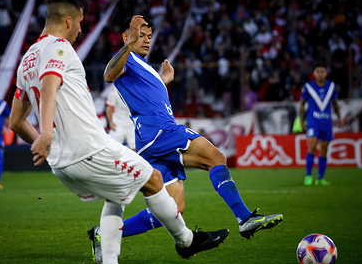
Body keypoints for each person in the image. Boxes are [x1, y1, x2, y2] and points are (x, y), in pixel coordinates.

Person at [8, 0, 228, 264]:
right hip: (89, 148)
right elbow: (50, 85)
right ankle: (186, 241)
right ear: (67, 21)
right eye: (79, 22)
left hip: (62, 163)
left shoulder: (27, 59)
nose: (80, 29)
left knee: (117, 195)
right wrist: (47, 135)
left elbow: (16, 121)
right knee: (154, 179)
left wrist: (48, 145)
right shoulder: (59, 47)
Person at [95, 14, 282, 249]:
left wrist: (164, 79)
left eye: (149, 36)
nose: (146, 40)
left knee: (173, 207)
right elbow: (108, 74)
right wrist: (129, 43)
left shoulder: (144, 68)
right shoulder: (126, 59)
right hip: (161, 132)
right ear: (126, 36)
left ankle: (105, 233)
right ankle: (244, 218)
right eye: (140, 35)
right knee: (216, 157)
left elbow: (147, 94)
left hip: (150, 140)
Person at [300, 64, 342, 186]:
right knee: (312, 146)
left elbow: (335, 103)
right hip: (313, 121)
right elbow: (302, 104)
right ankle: (308, 176)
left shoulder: (331, 86)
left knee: (324, 149)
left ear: (326, 73)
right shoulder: (308, 87)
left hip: (326, 122)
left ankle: (320, 178)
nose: (320, 73)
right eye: (317, 71)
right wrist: (302, 121)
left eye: (322, 71)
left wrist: (339, 118)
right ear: (314, 73)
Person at [105, 85, 135, 150]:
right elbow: (109, 108)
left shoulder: (135, 90)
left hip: (131, 125)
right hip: (118, 124)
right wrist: (110, 122)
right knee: (113, 149)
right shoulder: (115, 90)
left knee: (136, 149)